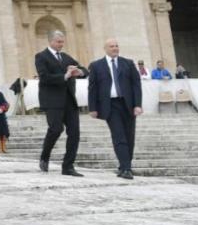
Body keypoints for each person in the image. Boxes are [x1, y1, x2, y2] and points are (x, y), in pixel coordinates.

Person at [87, 38, 143, 180]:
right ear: (105, 48)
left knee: (129, 136)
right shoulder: (96, 65)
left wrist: (137, 105)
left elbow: (136, 85)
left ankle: (125, 165)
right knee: (119, 135)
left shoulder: (128, 63)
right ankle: (126, 168)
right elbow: (92, 88)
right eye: (112, 46)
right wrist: (92, 107)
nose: (115, 48)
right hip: (110, 106)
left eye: (117, 46)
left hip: (128, 104)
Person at [35, 30, 88, 177]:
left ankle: (68, 166)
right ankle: (45, 156)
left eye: (62, 42)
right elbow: (44, 77)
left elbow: (84, 69)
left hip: (69, 100)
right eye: (59, 42)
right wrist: (64, 76)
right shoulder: (41, 56)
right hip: (52, 101)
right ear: (51, 41)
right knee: (56, 129)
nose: (61, 44)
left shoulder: (66, 57)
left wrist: (79, 72)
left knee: (75, 133)